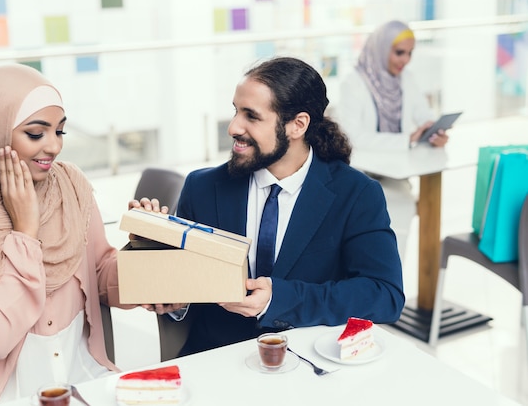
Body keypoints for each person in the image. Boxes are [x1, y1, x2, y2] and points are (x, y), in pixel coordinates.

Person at [0, 64, 166, 405]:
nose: (54, 147)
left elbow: (101, 276)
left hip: (88, 383)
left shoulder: (68, 186)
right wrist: (25, 233)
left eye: (60, 132)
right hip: (6, 398)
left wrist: (146, 255)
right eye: (35, 133)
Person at [143, 56, 405, 356]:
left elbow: (385, 296)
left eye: (251, 116)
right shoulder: (202, 188)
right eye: (235, 111)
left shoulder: (357, 194)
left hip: (311, 365)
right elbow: (186, 287)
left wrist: (278, 299)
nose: (233, 127)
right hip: (216, 363)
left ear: (297, 125)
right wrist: (167, 287)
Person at [336, 20, 450, 259]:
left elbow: (423, 115)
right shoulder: (353, 83)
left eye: (409, 53)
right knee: (387, 222)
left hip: (395, 175)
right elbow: (352, 138)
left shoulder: (405, 79)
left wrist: (433, 131)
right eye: (399, 53)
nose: (405, 60)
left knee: (398, 227)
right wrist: (406, 139)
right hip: (362, 177)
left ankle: (389, 288)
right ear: (381, 47)